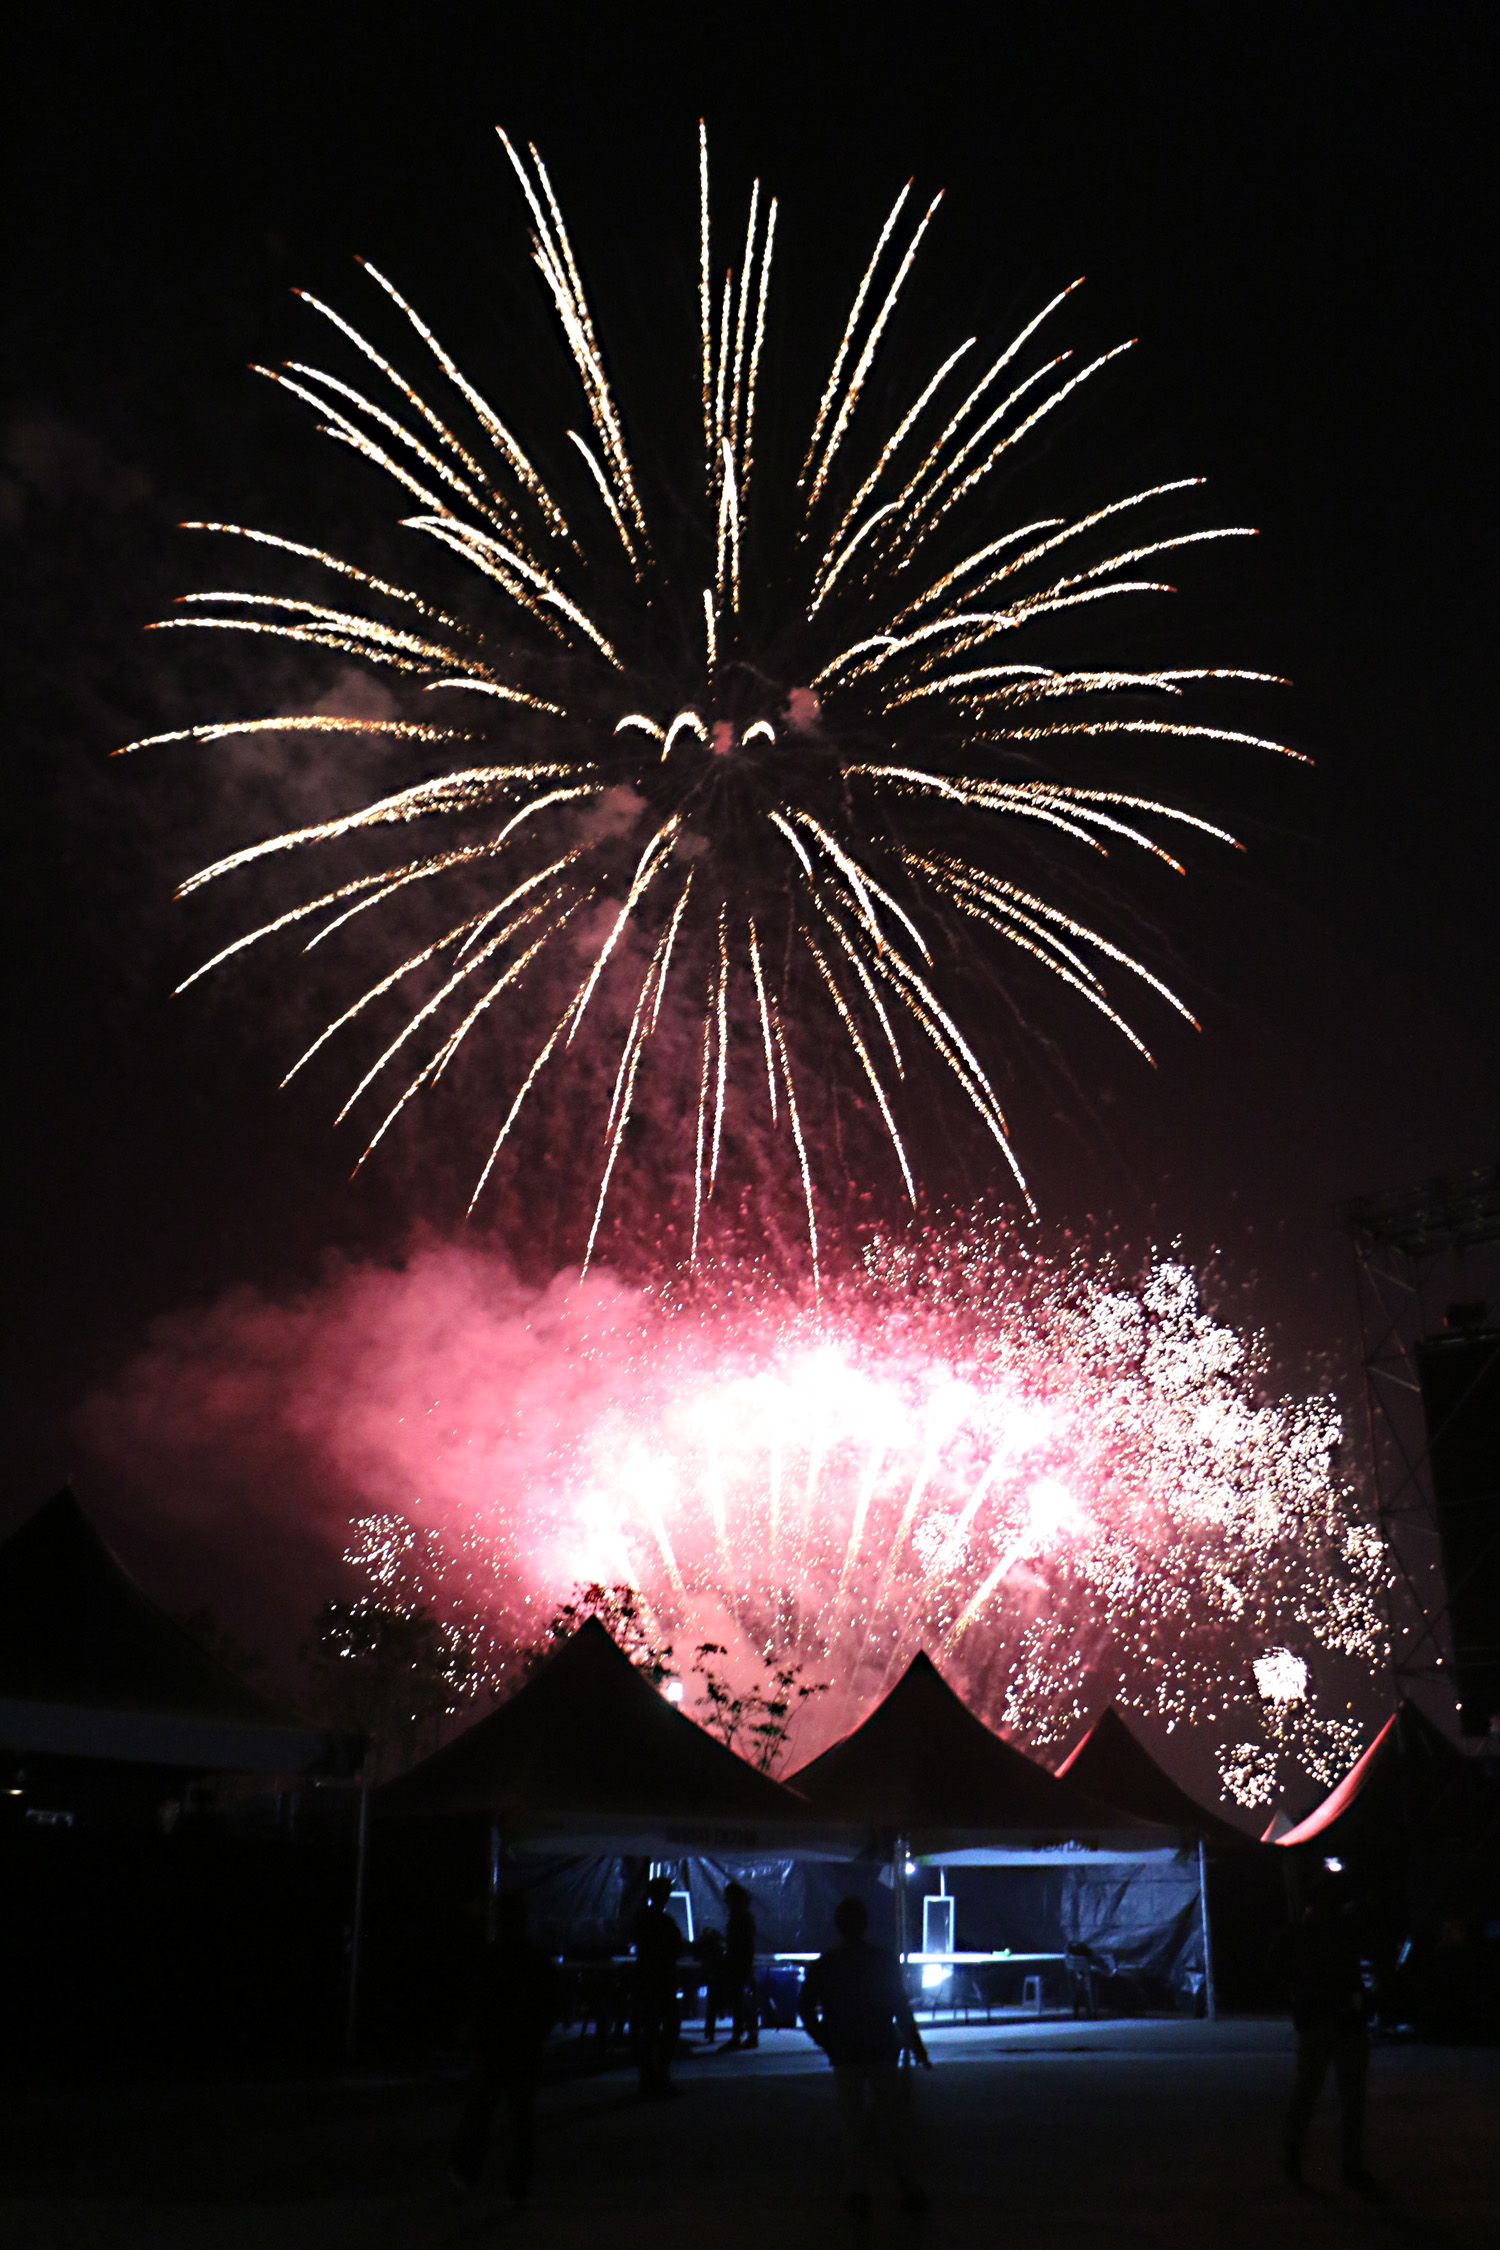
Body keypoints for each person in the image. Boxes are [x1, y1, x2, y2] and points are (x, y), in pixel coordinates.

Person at [798, 1895, 931, 2218]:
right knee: (896, 2121)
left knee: (851, 2123)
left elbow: (804, 2006)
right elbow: (900, 2005)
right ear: (865, 1924)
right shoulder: (883, 1960)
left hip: (845, 2052)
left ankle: (858, 2192)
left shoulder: (826, 1963)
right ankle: (908, 2187)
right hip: (882, 2048)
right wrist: (915, 2044)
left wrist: (825, 2040)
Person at [451, 1891, 561, 2209]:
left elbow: (477, 2001)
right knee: (521, 2121)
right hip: (523, 2050)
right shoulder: (535, 1960)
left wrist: (475, 2036)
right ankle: (517, 2186)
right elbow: (553, 2003)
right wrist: (537, 2034)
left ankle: (469, 2172)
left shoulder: (491, 1957)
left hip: (495, 2050)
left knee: (481, 2114)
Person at [1270, 1867, 1373, 2191]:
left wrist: (1295, 1993)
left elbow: (1273, 1963)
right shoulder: (1346, 1929)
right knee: (1349, 2097)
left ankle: (1295, 2156)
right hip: (1343, 2019)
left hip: (1318, 2019)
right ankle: (1349, 2165)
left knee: (1308, 2091)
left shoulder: (1303, 1931)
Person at [633, 1874, 685, 2097]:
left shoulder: (646, 1919)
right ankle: (658, 2076)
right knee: (665, 2028)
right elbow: (676, 1947)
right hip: (660, 1981)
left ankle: (650, 2078)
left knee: (652, 2030)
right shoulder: (662, 1921)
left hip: (650, 1981)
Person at [723, 1879, 759, 2050]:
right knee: (742, 2000)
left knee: (740, 2001)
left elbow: (743, 1943)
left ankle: (742, 2035)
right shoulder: (743, 1916)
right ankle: (747, 2034)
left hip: (739, 1962)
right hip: (741, 1962)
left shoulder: (740, 1917)